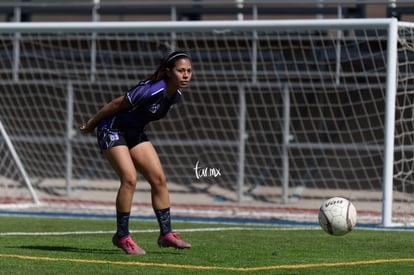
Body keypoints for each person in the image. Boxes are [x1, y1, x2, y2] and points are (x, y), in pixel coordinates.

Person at [79, 51, 192, 255]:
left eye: (189, 71)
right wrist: (91, 124)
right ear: (168, 72)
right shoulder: (151, 90)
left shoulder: (175, 96)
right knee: (130, 179)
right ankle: (122, 236)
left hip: (134, 133)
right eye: (180, 70)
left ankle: (166, 234)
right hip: (112, 129)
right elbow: (116, 104)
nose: (185, 75)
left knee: (159, 179)